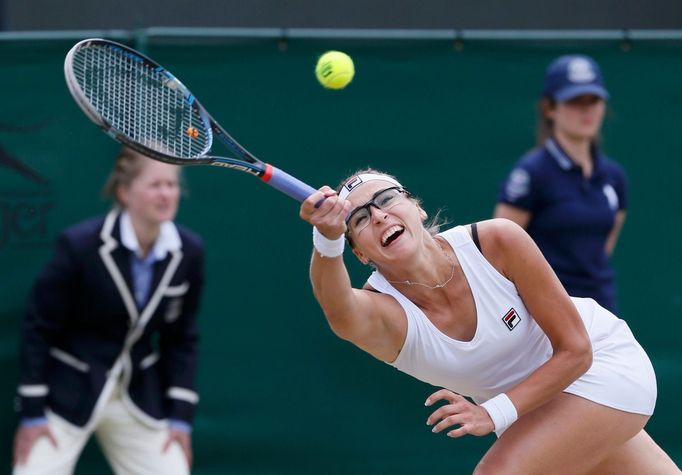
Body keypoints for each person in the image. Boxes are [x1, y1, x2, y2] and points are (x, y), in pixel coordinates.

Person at [299, 170, 679, 474]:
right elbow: (340, 311)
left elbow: (577, 352)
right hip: (536, 411)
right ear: (360, 253)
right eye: (360, 219)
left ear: (417, 209)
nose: (379, 215)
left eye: (386, 200)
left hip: (603, 368)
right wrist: (326, 240)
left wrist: (490, 413)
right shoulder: (384, 314)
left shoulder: (496, 241)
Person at [12, 147, 205, 475]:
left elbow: (182, 337)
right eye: (155, 185)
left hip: (139, 395)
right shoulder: (80, 245)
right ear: (124, 191)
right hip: (67, 391)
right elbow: (38, 327)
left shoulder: (189, 251)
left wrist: (180, 418)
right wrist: (32, 411)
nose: (166, 194)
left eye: (171, 185)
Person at [494, 54, 627, 313]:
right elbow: (499, 250)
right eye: (575, 100)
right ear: (550, 108)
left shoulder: (614, 176)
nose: (587, 110)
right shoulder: (531, 173)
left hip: (602, 309)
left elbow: (604, 247)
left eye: (594, 100)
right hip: (545, 314)